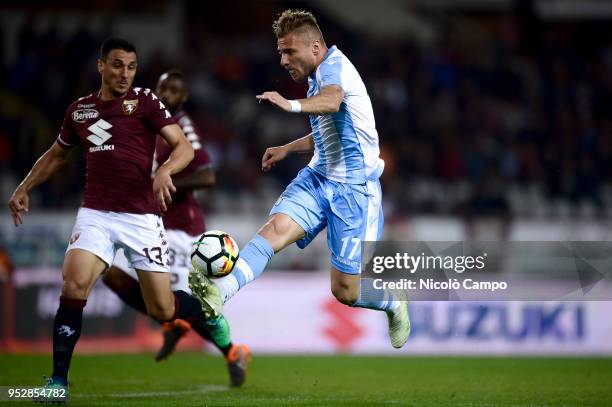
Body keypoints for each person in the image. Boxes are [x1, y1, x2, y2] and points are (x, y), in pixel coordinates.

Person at [7, 38, 231, 396]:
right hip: (95, 213)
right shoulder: (80, 111)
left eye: (130, 66)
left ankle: (206, 306)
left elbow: (184, 147)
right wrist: (24, 186)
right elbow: (55, 156)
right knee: (74, 284)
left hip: (141, 219)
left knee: (163, 309)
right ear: (101, 66)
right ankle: (57, 383)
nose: (124, 73)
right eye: (117, 65)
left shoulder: (145, 101)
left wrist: (165, 172)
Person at [189, 10, 410, 349]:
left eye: (289, 51)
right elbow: (329, 129)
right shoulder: (316, 76)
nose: (282, 60)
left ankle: (393, 301)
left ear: (316, 46)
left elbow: (332, 100)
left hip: (355, 192)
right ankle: (220, 292)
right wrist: (287, 148)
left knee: (346, 292)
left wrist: (290, 105)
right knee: (274, 230)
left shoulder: (334, 68)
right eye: (280, 52)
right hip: (319, 178)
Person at [102, 70, 250, 387]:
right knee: (112, 274)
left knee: (175, 303)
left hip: (180, 228)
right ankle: (172, 325)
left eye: (173, 90)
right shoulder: (147, 123)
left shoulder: (182, 126)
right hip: (144, 224)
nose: (166, 93)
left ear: (183, 98)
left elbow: (207, 176)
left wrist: (164, 181)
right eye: (162, 87)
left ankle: (231, 351)